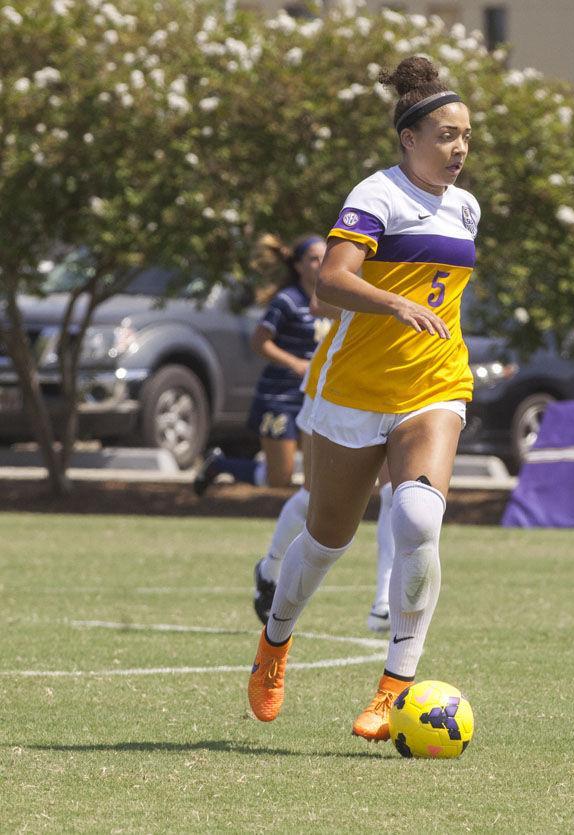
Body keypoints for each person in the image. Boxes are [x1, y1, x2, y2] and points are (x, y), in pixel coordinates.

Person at [247, 55, 480, 741]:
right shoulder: (374, 196)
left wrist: (420, 323)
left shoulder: (466, 207)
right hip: (350, 392)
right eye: (444, 133)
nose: (459, 147)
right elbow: (332, 285)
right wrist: (393, 304)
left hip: (434, 385)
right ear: (408, 138)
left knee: (416, 521)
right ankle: (274, 645)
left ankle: (392, 690)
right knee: (326, 539)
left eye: (466, 135)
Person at [252, 304, 395, 631]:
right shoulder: (365, 251)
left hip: (395, 380)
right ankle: (269, 568)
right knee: (314, 497)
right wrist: (391, 305)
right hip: (336, 381)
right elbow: (323, 297)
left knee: (395, 495)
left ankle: (383, 603)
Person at [193, 234, 326, 492]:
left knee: (316, 479)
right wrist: (295, 363)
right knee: (280, 479)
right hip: (280, 397)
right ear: (298, 266)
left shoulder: (332, 302)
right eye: (313, 259)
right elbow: (259, 342)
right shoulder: (287, 301)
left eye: (325, 258)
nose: (321, 264)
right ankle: (219, 465)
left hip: (315, 398)